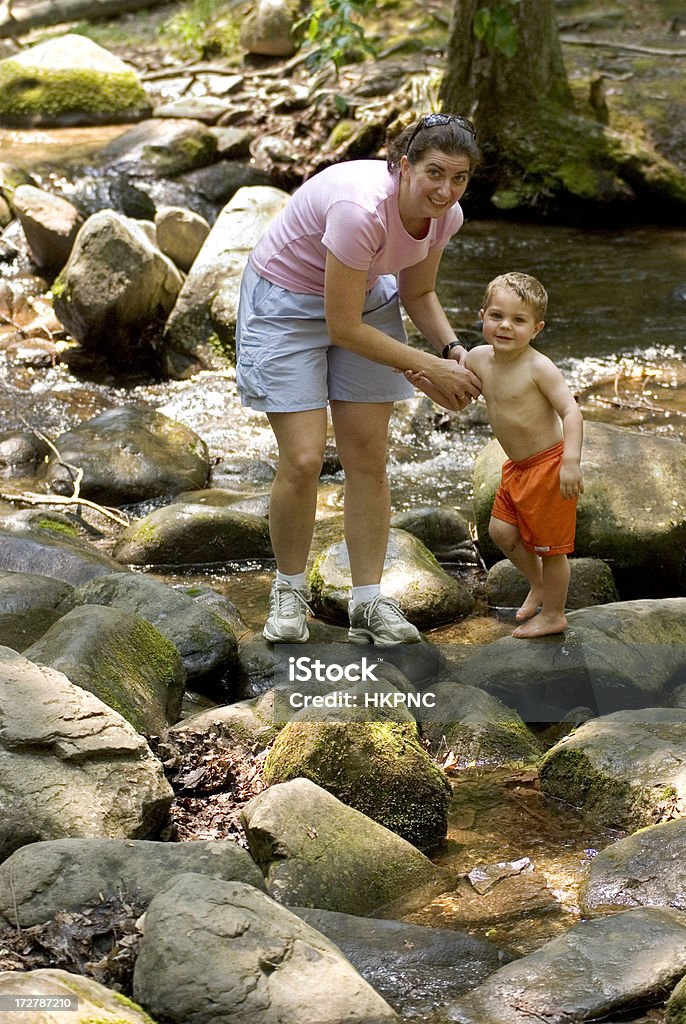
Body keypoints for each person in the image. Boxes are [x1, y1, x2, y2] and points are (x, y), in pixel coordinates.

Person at [235, 113, 482, 645]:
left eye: (458, 178)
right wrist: (423, 367)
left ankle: (368, 602)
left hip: (362, 298)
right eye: (435, 173)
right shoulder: (360, 210)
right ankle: (288, 590)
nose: (445, 190)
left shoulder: (447, 215)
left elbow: (417, 293)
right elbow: (340, 327)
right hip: (284, 302)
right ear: (403, 165)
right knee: (303, 459)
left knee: (368, 460)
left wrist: (453, 351)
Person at [407, 272, 584, 639]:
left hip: (549, 466)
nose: (505, 326)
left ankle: (554, 613)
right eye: (497, 316)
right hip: (517, 467)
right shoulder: (478, 359)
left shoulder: (539, 367)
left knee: (552, 551)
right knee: (500, 532)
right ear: (482, 314)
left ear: (537, 328)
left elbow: (571, 411)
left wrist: (570, 461)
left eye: (518, 320)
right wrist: (425, 383)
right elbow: (458, 401)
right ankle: (537, 584)